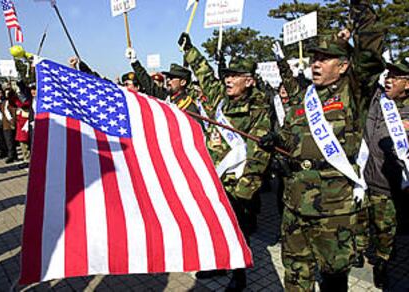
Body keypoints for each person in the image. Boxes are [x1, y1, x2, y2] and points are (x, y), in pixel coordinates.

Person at [259, 0, 384, 290]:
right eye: (314, 57)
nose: (315, 63)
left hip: (333, 208)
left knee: (334, 277)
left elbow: (371, 51)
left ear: (343, 66)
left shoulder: (354, 91)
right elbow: (291, 138)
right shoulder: (304, 98)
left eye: (324, 58)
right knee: (296, 275)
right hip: (294, 204)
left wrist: (360, 9)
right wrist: (276, 141)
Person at [178, 32, 271, 291]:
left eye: (235, 75)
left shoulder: (258, 110)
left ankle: (239, 276)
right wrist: (189, 48)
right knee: (214, 226)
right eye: (227, 75)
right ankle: (218, 263)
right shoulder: (220, 98)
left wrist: (244, 193)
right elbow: (204, 72)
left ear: (250, 81)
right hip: (214, 179)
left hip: (237, 186)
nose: (228, 79)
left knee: (238, 232)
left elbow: (258, 157)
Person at [363, 59, 409, 288]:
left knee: (385, 228)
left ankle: (382, 263)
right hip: (363, 178)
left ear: (407, 84)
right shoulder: (377, 99)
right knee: (362, 222)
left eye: (395, 76)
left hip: (388, 185)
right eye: (387, 75)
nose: (388, 80)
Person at [125, 47, 199, 114]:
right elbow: (149, 84)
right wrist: (134, 62)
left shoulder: (189, 107)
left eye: (172, 78)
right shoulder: (166, 97)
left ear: (183, 82)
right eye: (168, 77)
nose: (168, 81)